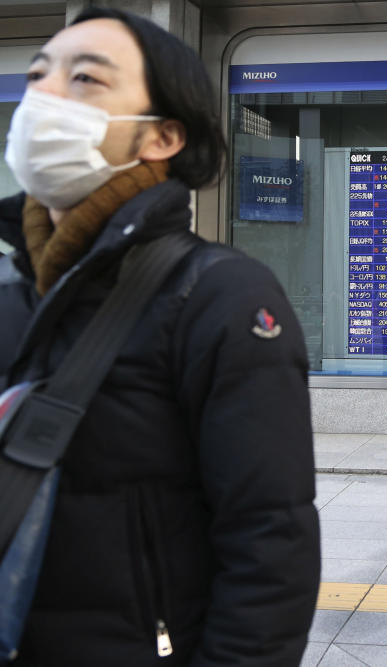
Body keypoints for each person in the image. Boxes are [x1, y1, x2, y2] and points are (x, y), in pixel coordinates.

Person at [0, 9, 320, 666]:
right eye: (38, 74)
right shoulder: (13, 292)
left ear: (162, 136)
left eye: (85, 78)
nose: (44, 95)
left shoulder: (220, 296)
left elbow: (270, 547)